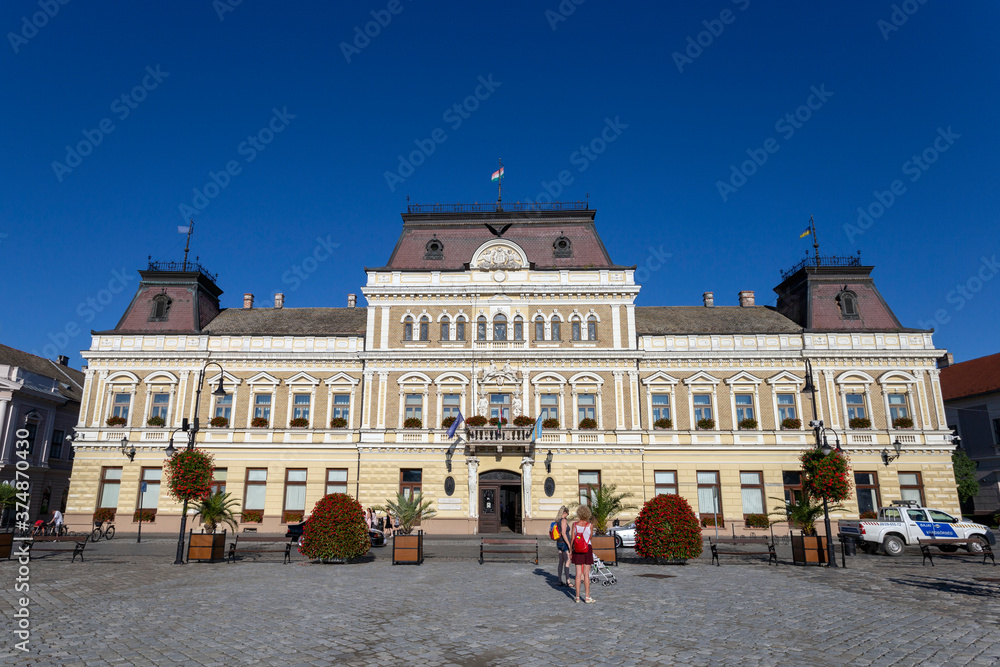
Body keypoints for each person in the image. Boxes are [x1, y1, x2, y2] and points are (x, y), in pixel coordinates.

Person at [571, 505, 595, 604]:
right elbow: (590, 538)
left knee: (578, 574)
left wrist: (570, 551)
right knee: (586, 574)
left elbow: (572, 539)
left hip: (577, 550)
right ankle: (587, 597)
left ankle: (577, 597)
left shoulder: (574, 525)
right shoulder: (590, 525)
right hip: (587, 549)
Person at [555, 506, 573, 586]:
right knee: (567, 562)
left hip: (559, 542)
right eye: (567, 514)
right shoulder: (563, 520)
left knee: (560, 562)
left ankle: (559, 580)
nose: (567, 515)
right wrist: (569, 545)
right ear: (564, 513)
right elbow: (563, 533)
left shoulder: (557, 520)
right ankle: (568, 581)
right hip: (564, 543)